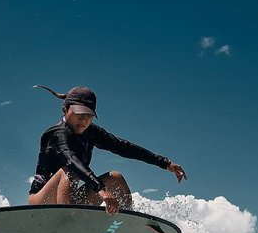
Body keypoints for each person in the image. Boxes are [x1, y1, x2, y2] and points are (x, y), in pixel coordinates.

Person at [28, 85, 186, 215]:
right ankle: (68, 224)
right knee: (68, 171)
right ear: (65, 110)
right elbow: (72, 161)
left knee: (116, 178)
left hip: (70, 198)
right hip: (42, 201)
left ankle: (122, 226)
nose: (83, 119)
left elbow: (123, 147)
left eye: (88, 115)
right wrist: (101, 190)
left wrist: (164, 163)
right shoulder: (57, 134)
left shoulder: (91, 132)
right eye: (78, 113)